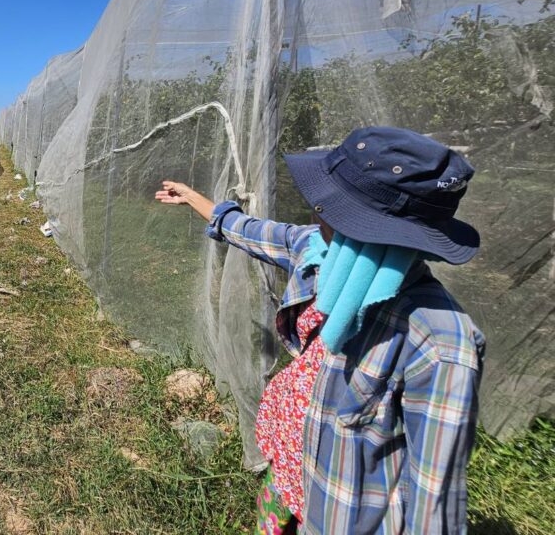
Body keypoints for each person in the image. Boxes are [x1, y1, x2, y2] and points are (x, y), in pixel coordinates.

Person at [155, 126, 485, 535]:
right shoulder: (321, 252)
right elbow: (252, 231)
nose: (316, 211)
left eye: (330, 206)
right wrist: (195, 199)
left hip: (337, 511)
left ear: (366, 225)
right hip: (287, 469)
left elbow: (434, 500)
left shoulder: (438, 344)